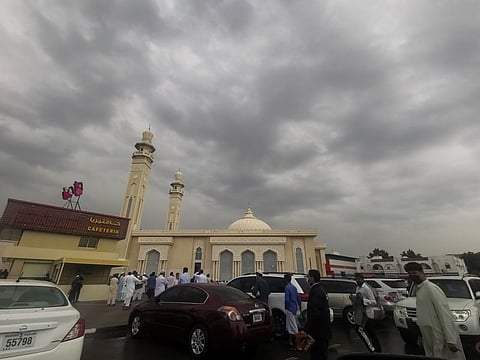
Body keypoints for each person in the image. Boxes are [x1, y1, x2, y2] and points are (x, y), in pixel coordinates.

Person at [404, 262, 465, 359]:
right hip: (428, 334)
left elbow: (444, 314)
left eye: (414, 273)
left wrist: (451, 339)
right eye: (410, 273)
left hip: (438, 334)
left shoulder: (431, 289)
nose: (412, 276)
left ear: (423, 273)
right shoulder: (419, 289)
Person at [350, 273, 382, 353]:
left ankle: (372, 349)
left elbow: (373, 302)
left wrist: (363, 300)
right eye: (356, 279)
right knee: (370, 333)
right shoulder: (358, 288)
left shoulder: (367, 288)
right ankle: (377, 349)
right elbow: (358, 300)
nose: (357, 281)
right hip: (361, 313)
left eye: (359, 279)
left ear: (362, 279)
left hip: (367, 314)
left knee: (361, 330)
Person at [303, 269, 331, 360]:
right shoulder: (321, 289)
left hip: (318, 330)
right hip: (324, 328)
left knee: (317, 354)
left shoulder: (316, 291)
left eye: (308, 277)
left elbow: (314, 313)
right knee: (322, 353)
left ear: (312, 278)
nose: (307, 279)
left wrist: (307, 329)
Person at [284, 273, 301, 350]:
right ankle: (290, 341)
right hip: (295, 307)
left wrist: (286, 306)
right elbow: (298, 298)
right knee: (292, 325)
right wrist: (299, 307)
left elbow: (287, 299)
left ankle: (298, 345)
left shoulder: (287, 288)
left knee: (293, 328)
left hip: (290, 308)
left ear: (285, 280)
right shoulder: (294, 287)